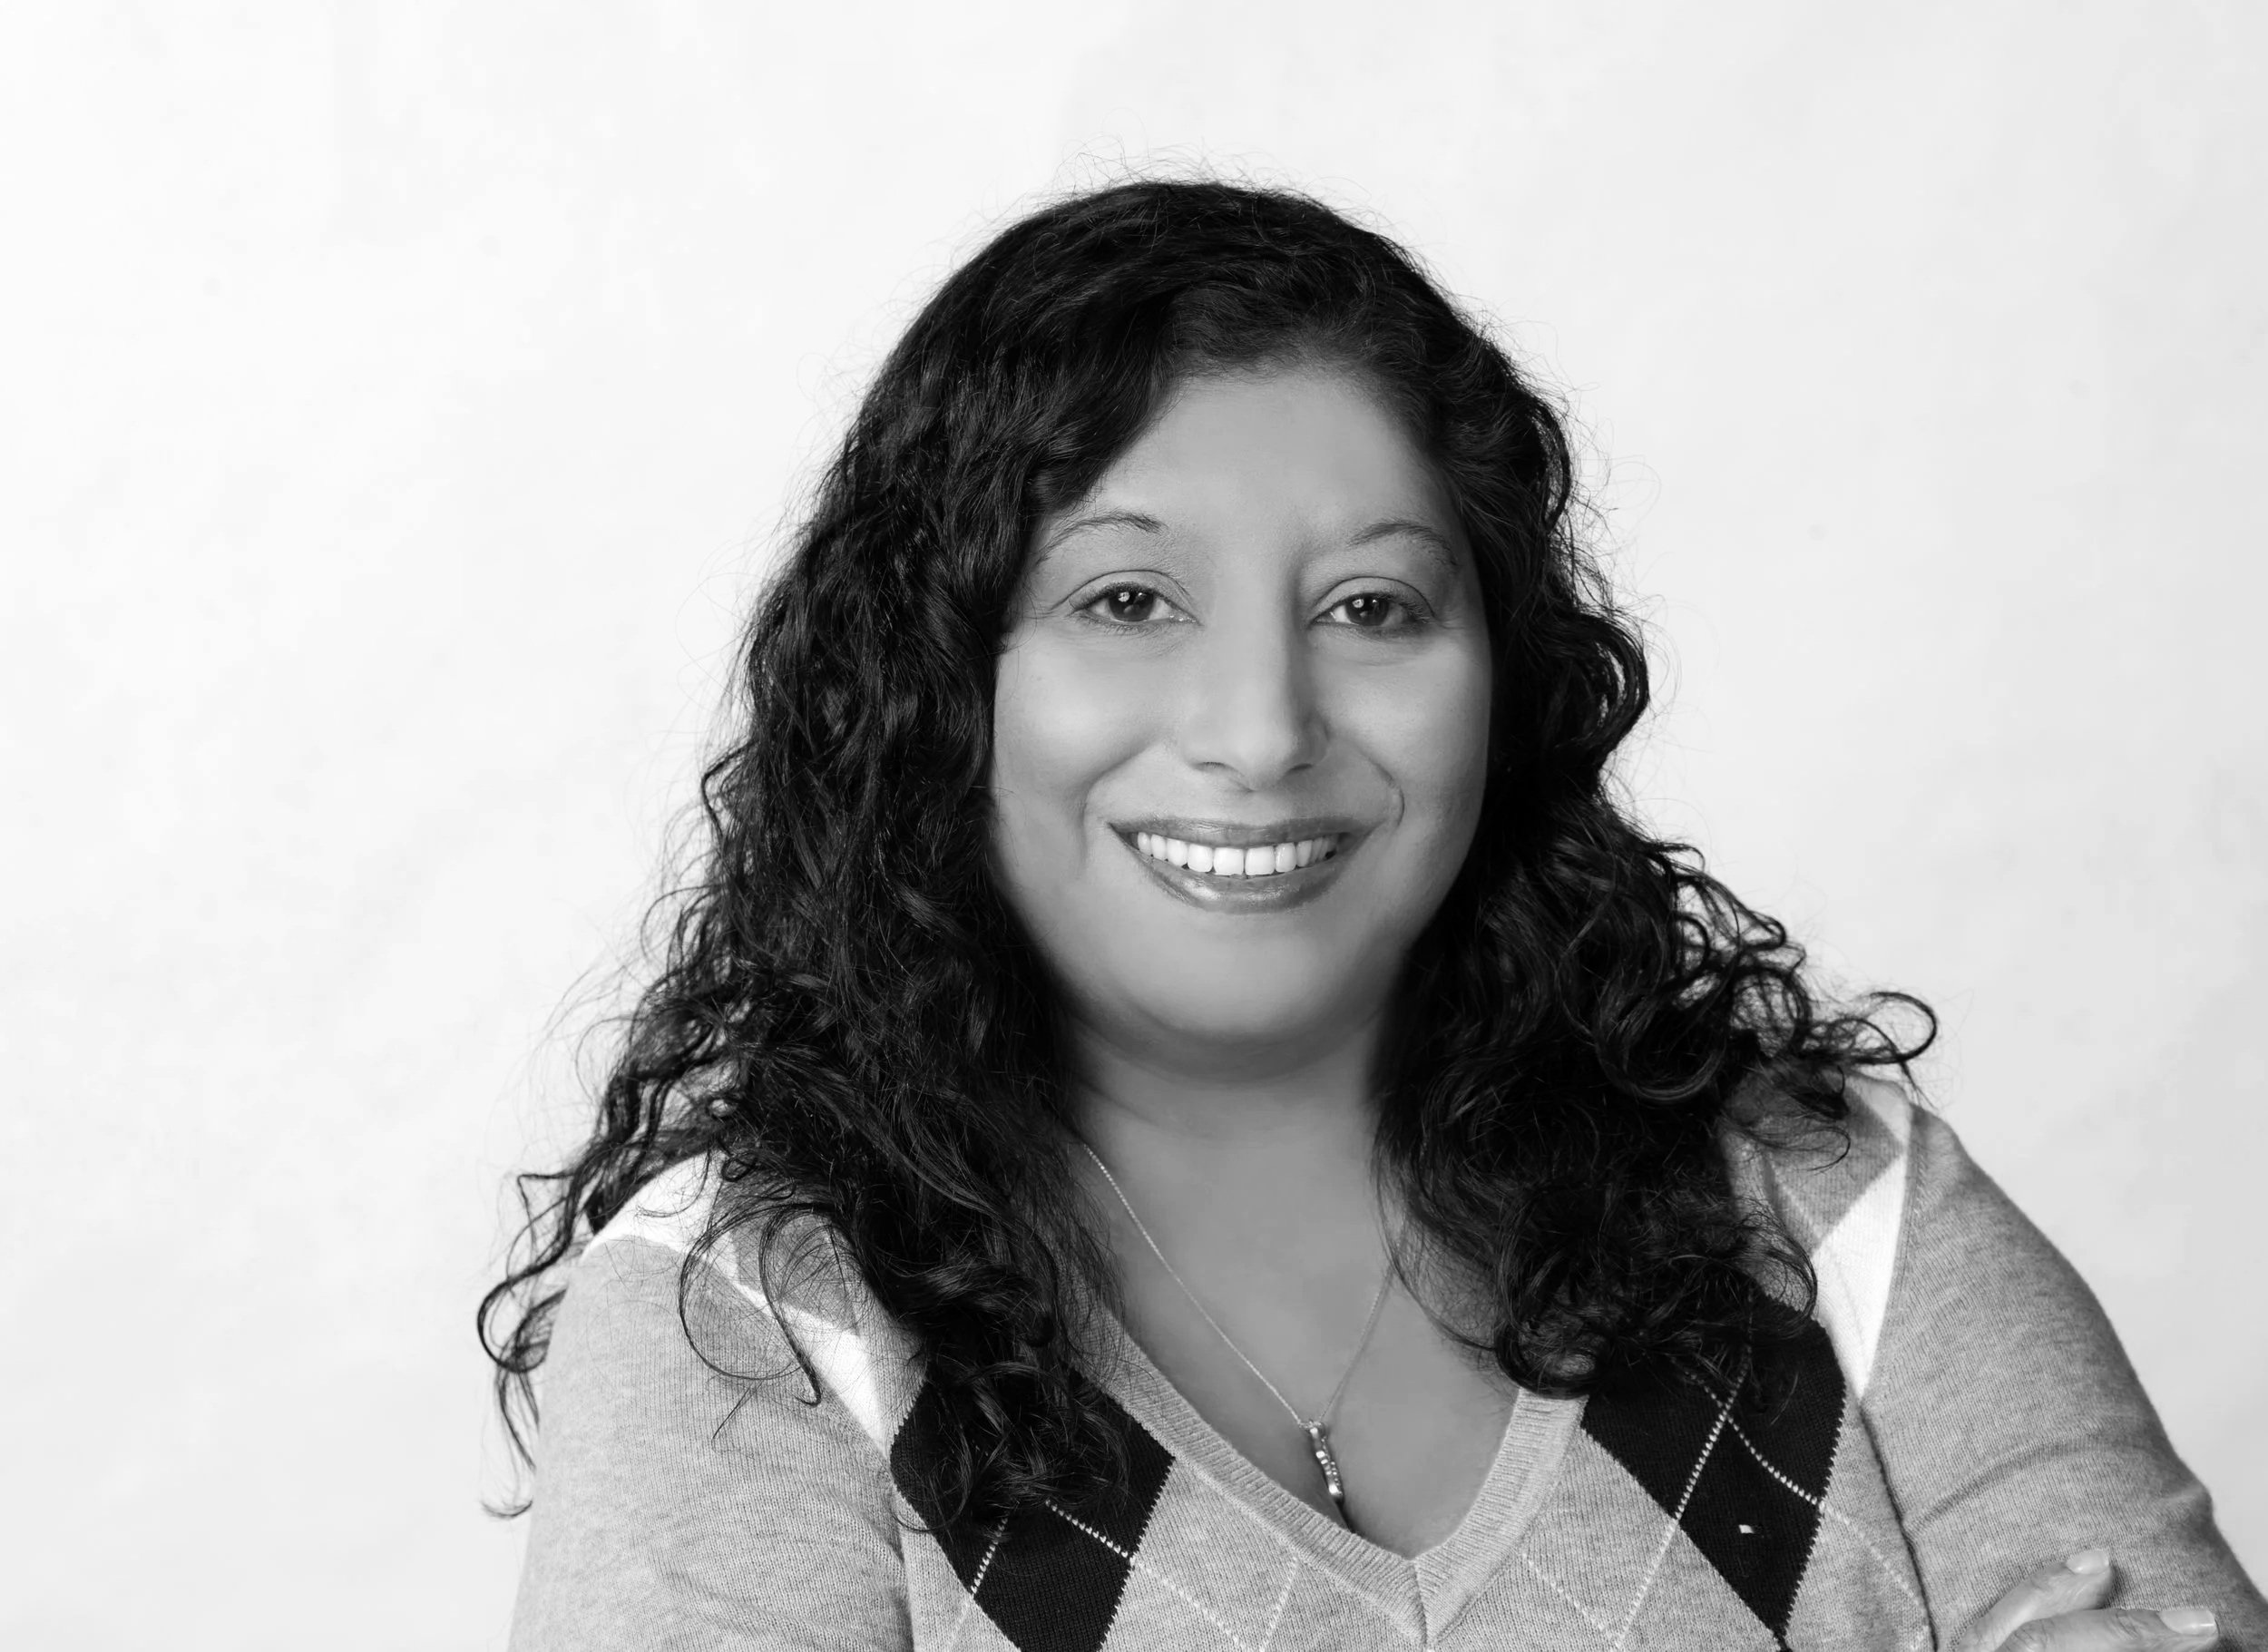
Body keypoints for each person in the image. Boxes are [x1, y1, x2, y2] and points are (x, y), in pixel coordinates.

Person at [482, 179, 2263, 1651]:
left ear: (1502, 670)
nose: (1260, 728)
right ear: (938, 683)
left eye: (1369, 607)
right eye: (1123, 595)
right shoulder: (759, 1322)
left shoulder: (1830, 1211)